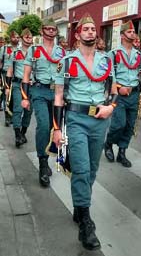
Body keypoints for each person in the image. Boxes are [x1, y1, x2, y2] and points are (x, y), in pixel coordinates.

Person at [53, 13, 117, 250]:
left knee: (92, 169)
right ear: (78, 34)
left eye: (93, 29)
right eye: (86, 29)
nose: (90, 31)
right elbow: (59, 96)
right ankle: (86, 224)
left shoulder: (107, 61)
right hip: (75, 119)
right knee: (80, 168)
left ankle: (79, 207)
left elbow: (113, 89)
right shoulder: (67, 62)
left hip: (100, 121)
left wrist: (111, 106)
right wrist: (57, 129)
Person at [21, 18, 65, 187]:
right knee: (44, 125)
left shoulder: (62, 52)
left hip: (57, 93)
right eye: (47, 28)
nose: (51, 31)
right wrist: (25, 97)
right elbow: (26, 75)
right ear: (42, 31)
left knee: (56, 128)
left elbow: (66, 74)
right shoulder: (34, 50)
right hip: (39, 90)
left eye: (54, 29)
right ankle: (43, 163)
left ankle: (52, 156)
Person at [104, 20, 141, 168]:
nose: (132, 34)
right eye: (129, 32)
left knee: (130, 126)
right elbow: (109, 76)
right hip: (119, 95)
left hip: (134, 94)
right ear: (122, 35)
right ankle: (108, 144)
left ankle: (122, 152)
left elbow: (140, 74)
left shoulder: (138, 54)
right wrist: (118, 87)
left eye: (134, 32)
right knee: (118, 124)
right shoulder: (113, 54)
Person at [6, 28, 33, 148]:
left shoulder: (37, 52)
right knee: (18, 109)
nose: (28, 38)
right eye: (26, 36)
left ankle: (23, 133)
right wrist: (7, 87)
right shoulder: (15, 53)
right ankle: (17, 135)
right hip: (18, 84)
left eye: (30, 36)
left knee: (28, 111)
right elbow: (9, 71)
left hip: (32, 86)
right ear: (21, 39)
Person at [0, 31, 19, 126]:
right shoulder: (4, 49)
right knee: (6, 95)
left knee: (14, 96)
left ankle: (13, 115)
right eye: (14, 37)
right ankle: (7, 117)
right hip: (5, 74)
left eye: (18, 37)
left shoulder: (21, 49)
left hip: (16, 75)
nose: (16, 39)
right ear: (11, 38)